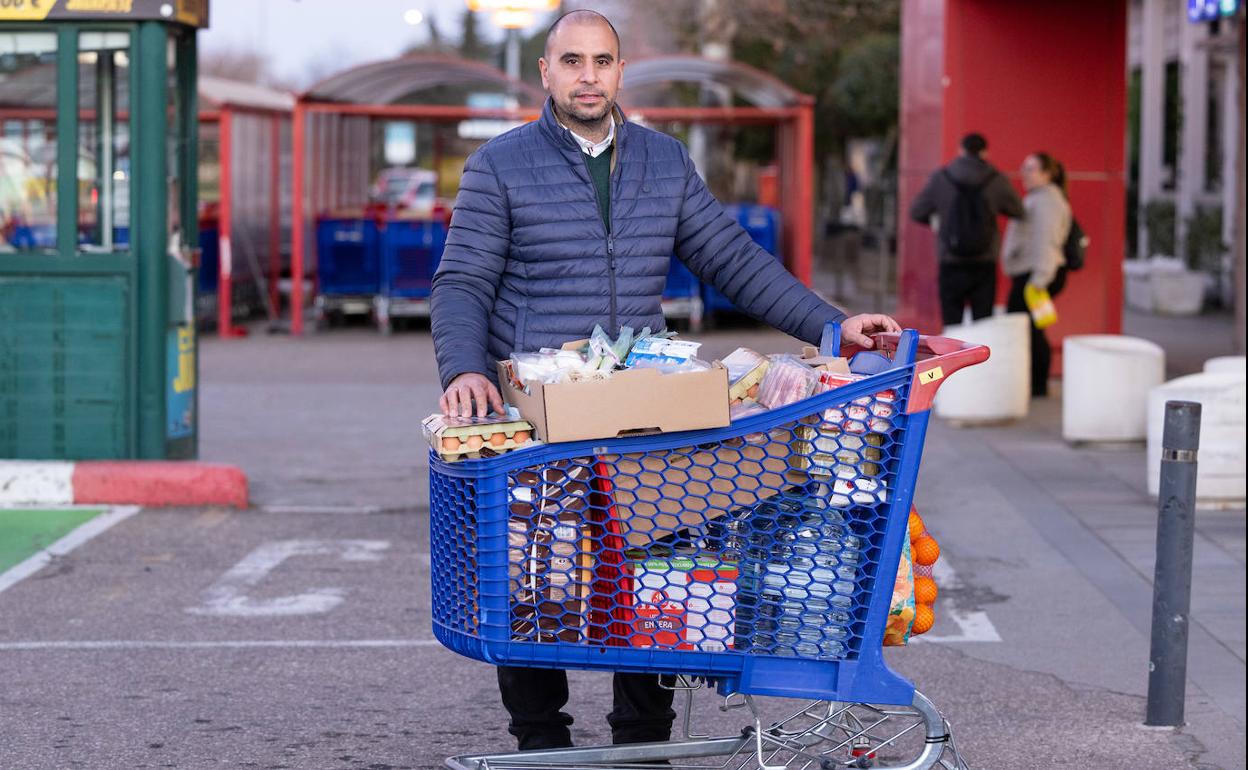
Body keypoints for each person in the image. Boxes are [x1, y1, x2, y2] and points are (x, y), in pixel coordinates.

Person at [430, 9, 902, 753]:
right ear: (546, 72)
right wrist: (462, 370)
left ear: (621, 72)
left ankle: (643, 743)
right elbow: (462, 282)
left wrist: (830, 324)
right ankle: (540, 744)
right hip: (541, 415)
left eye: (604, 61)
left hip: (642, 406)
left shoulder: (664, 159)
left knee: (649, 575)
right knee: (534, 585)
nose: (589, 76)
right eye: (574, 61)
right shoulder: (500, 164)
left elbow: (733, 261)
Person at [908, 133, 1024, 327]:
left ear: (961, 150)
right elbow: (1018, 211)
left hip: (950, 260)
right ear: (985, 153)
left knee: (952, 322)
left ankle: (952, 357)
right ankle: (981, 357)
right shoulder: (997, 179)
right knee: (983, 323)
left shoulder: (941, 177)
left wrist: (938, 221)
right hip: (984, 261)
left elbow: (916, 211)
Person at [1002, 151, 1072, 398]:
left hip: (1036, 276)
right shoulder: (1041, 198)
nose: (1025, 174)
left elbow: (1047, 242)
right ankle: (1035, 384)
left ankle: (1037, 384)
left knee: (1027, 329)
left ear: (1047, 173)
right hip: (1034, 274)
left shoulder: (1047, 202)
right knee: (1032, 328)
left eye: (1031, 168)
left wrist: (1040, 280)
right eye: (1024, 168)